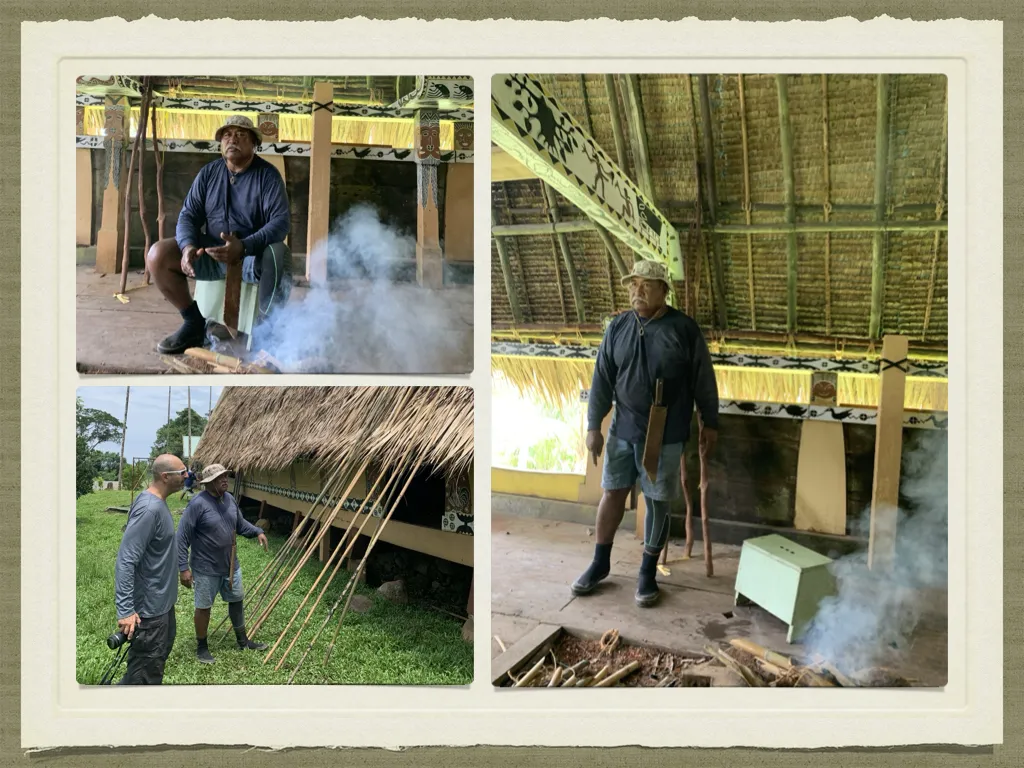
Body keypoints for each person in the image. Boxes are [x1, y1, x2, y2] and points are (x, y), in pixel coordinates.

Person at [571, 259, 720, 608]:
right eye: (633, 284)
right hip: (623, 429)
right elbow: (602, 379)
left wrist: (709, 422)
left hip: (665, 433)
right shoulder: (618, 327)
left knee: (656, 500)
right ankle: (599, 563)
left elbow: (703, 379)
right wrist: (594, 426)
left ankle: (647, 572)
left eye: (646, 285)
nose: (637, 291)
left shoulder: (684, 329)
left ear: (664, 291)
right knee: (612, 494)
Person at [145, 115, 293, 355]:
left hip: (251, 258)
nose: (232, 139)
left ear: (254, 143)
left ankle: (268, 334)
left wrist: (244, 246)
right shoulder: (208, 173)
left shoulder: (268, 176)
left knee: (277, 254)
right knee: (158, 254)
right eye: (227, 135)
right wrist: (187, 247)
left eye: (241, 135)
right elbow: (188, 215)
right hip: (211, 254)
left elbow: (280, 223)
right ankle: (194, 324)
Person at [176, 463, 270, 664]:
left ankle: (243, 641)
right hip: (205, 568)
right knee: (203, 607)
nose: (225, 480)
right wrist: (183, 568)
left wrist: (257, 532)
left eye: (226, 476)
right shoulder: (197, 504)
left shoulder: (230, 499)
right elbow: (182, 537)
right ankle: (202, 647)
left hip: (230, 566)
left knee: (236, 601)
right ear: (209, 482)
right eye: (220, 478)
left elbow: (240, 524)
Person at [113, 454, 188, 684]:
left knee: (153, 666)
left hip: (162, 606)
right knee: (143, 677)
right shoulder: (149, 510)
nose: (187, 476)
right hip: (150, 612)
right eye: (182, 472)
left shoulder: (158, 503)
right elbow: (126, 560)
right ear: (165, 477)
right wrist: (125, 610)